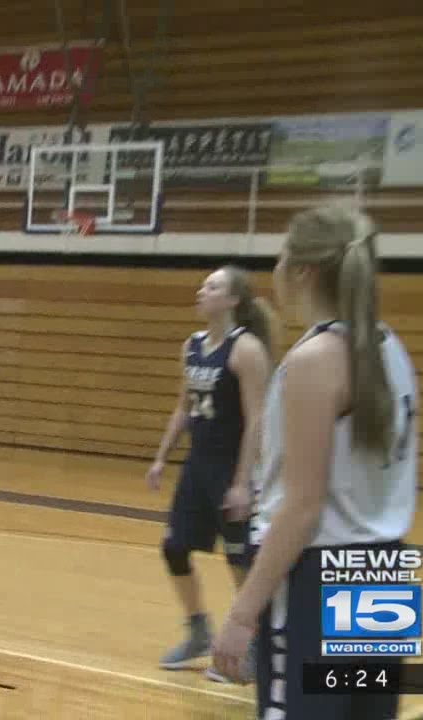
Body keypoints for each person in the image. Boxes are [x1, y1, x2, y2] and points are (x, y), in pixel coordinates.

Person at [212, 204, 419, 720]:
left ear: (303, 270)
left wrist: (243, 611)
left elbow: (302, 509)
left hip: (317, 576)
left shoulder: (314, 361)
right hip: (383, 569)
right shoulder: (391, 347)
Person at [147, 265, 276, 681]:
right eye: (203, 283)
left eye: (213, 286)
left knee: (240, 560)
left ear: (234, 299)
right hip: (198, 465)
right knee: (174, 548)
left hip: (231, 465)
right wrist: (161, 457)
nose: (202, 290)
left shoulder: (247, 349)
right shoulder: (192, 346)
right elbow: (183, 407)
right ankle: (199, 630)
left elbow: (257, 418)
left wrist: (242, 482)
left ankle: (255, 644)